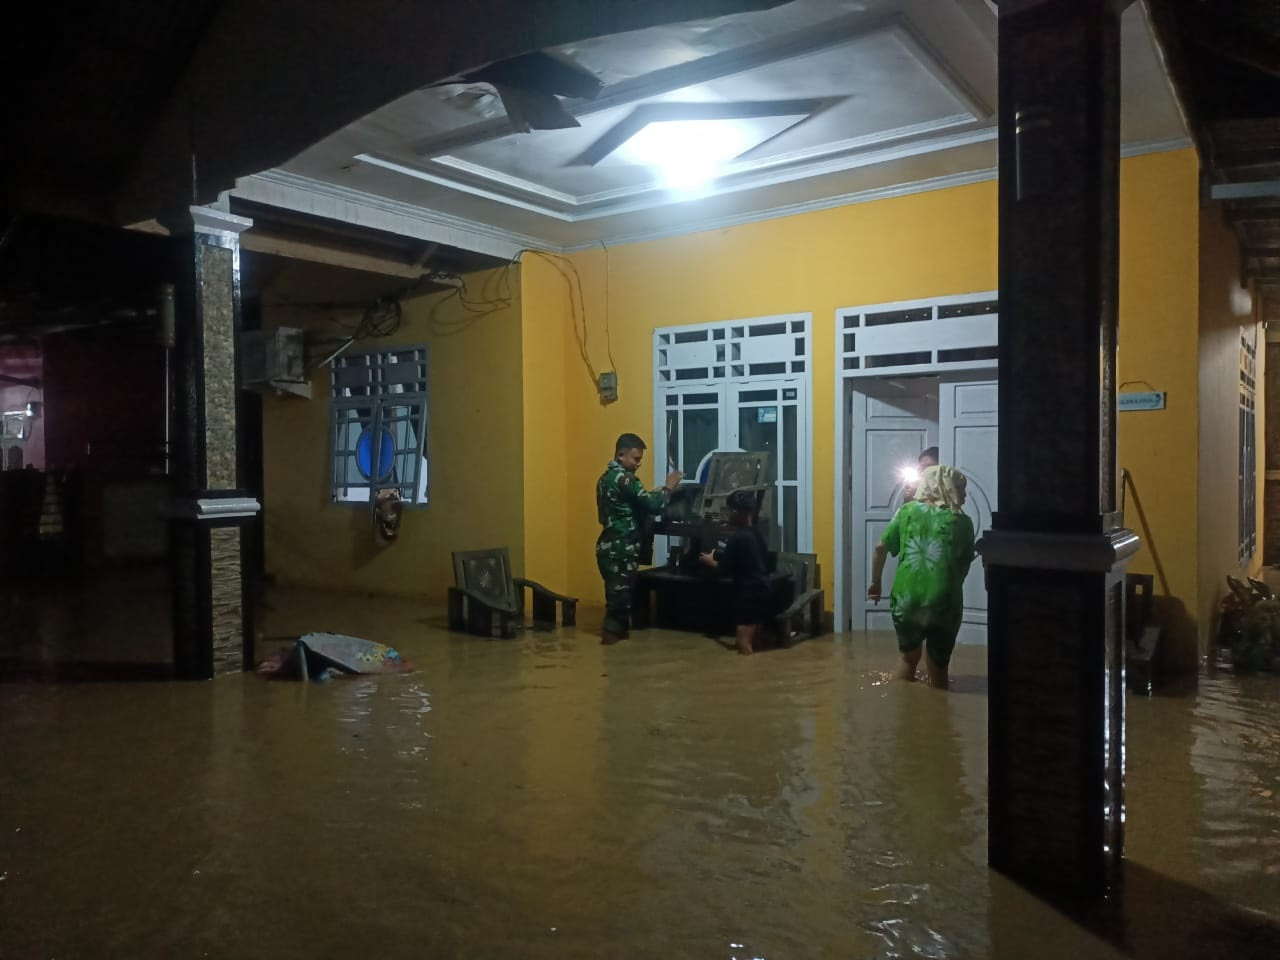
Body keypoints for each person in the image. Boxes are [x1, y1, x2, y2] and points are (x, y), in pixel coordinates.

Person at [867, 464, 976, 688]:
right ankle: (937, 707)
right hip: (944, 600)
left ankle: (899, 701)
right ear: (946, 487)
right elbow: (964, 564)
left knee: (907, 659)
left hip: (906, 599)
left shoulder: (906, 512)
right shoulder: (963, 522)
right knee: (938, 668)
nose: (964, 494)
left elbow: (880, 548)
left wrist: (876, 583)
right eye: (960, 488)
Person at [596, 433, 682, 645]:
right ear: (621, 455)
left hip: (608, 546)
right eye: (636, 459)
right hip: (622, 548)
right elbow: (654, 505)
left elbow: (620, 508)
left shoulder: (604, 479)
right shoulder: (626, 479)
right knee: (620, 601)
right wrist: (669, 487)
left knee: (617, 596)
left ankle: (618, 644)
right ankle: (611, 646)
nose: (638, 464)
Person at [698, 489, 771, 656]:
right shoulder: (757, 534)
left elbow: (724, 570)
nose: (728, 514)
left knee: (743, 644)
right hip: (764, 591)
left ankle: (746, 672)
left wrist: (710, 561)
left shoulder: (738, 537)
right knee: (755, 642)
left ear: (737, 512)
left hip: (749, 594)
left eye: (730, 510)